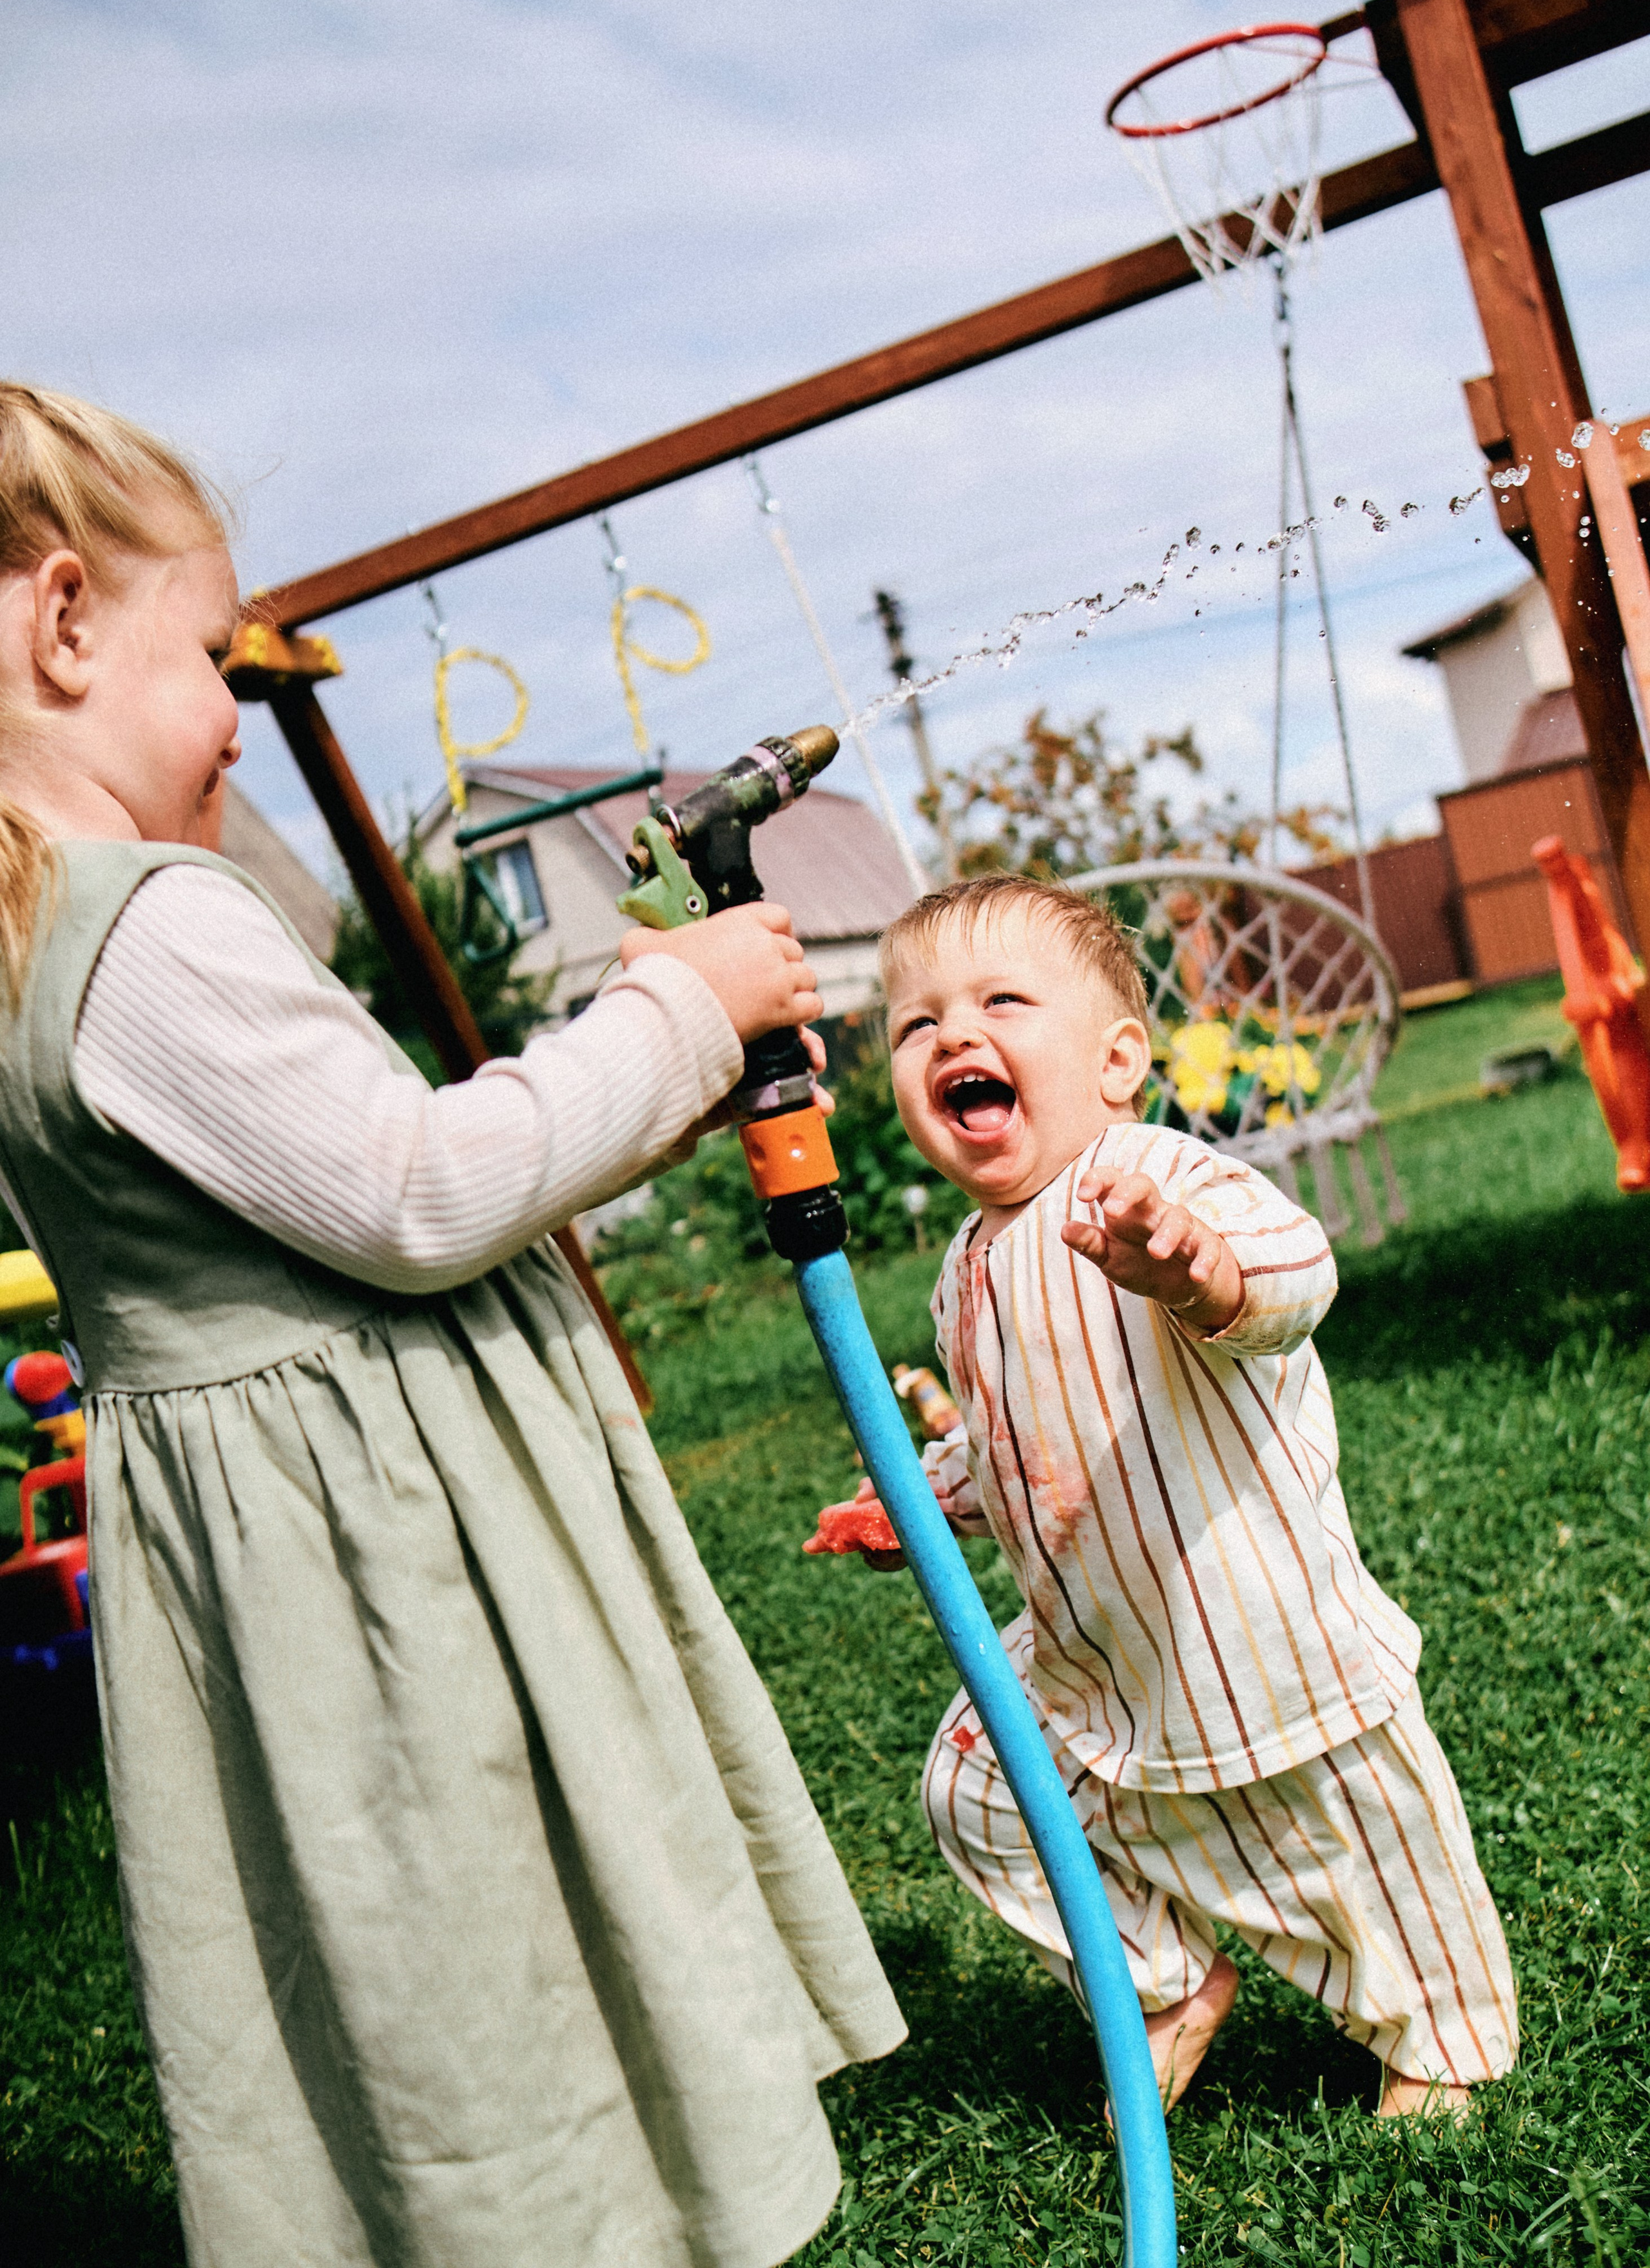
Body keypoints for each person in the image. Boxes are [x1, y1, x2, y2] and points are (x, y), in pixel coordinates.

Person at [0, 382, 904, 2268]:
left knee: (421, 1926)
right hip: (383, 1551)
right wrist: (682, 1012)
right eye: (216, 666)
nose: (238, 720)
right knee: (486, 1914)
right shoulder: (141, 927)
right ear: (65, 620)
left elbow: (314, 1080)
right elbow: (421, 1191)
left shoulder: (51, 934)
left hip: (284, 1536)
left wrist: (673, 1055)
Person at [824, 871, 1516, 2116]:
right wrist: (922, 1502)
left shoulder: (1144, 1177)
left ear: (1117, 1060)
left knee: (1366, 1838)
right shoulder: (964, 1266)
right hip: (1099, 1654)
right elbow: (1004, 1436)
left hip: (1253, 1633)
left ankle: (1439, 2041)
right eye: (916, 1022)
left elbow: (1299, 1266)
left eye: (1001, 1000)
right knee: (978, 1788)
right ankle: (1160, 1979)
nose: (953, 1034)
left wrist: (1202, 1273)